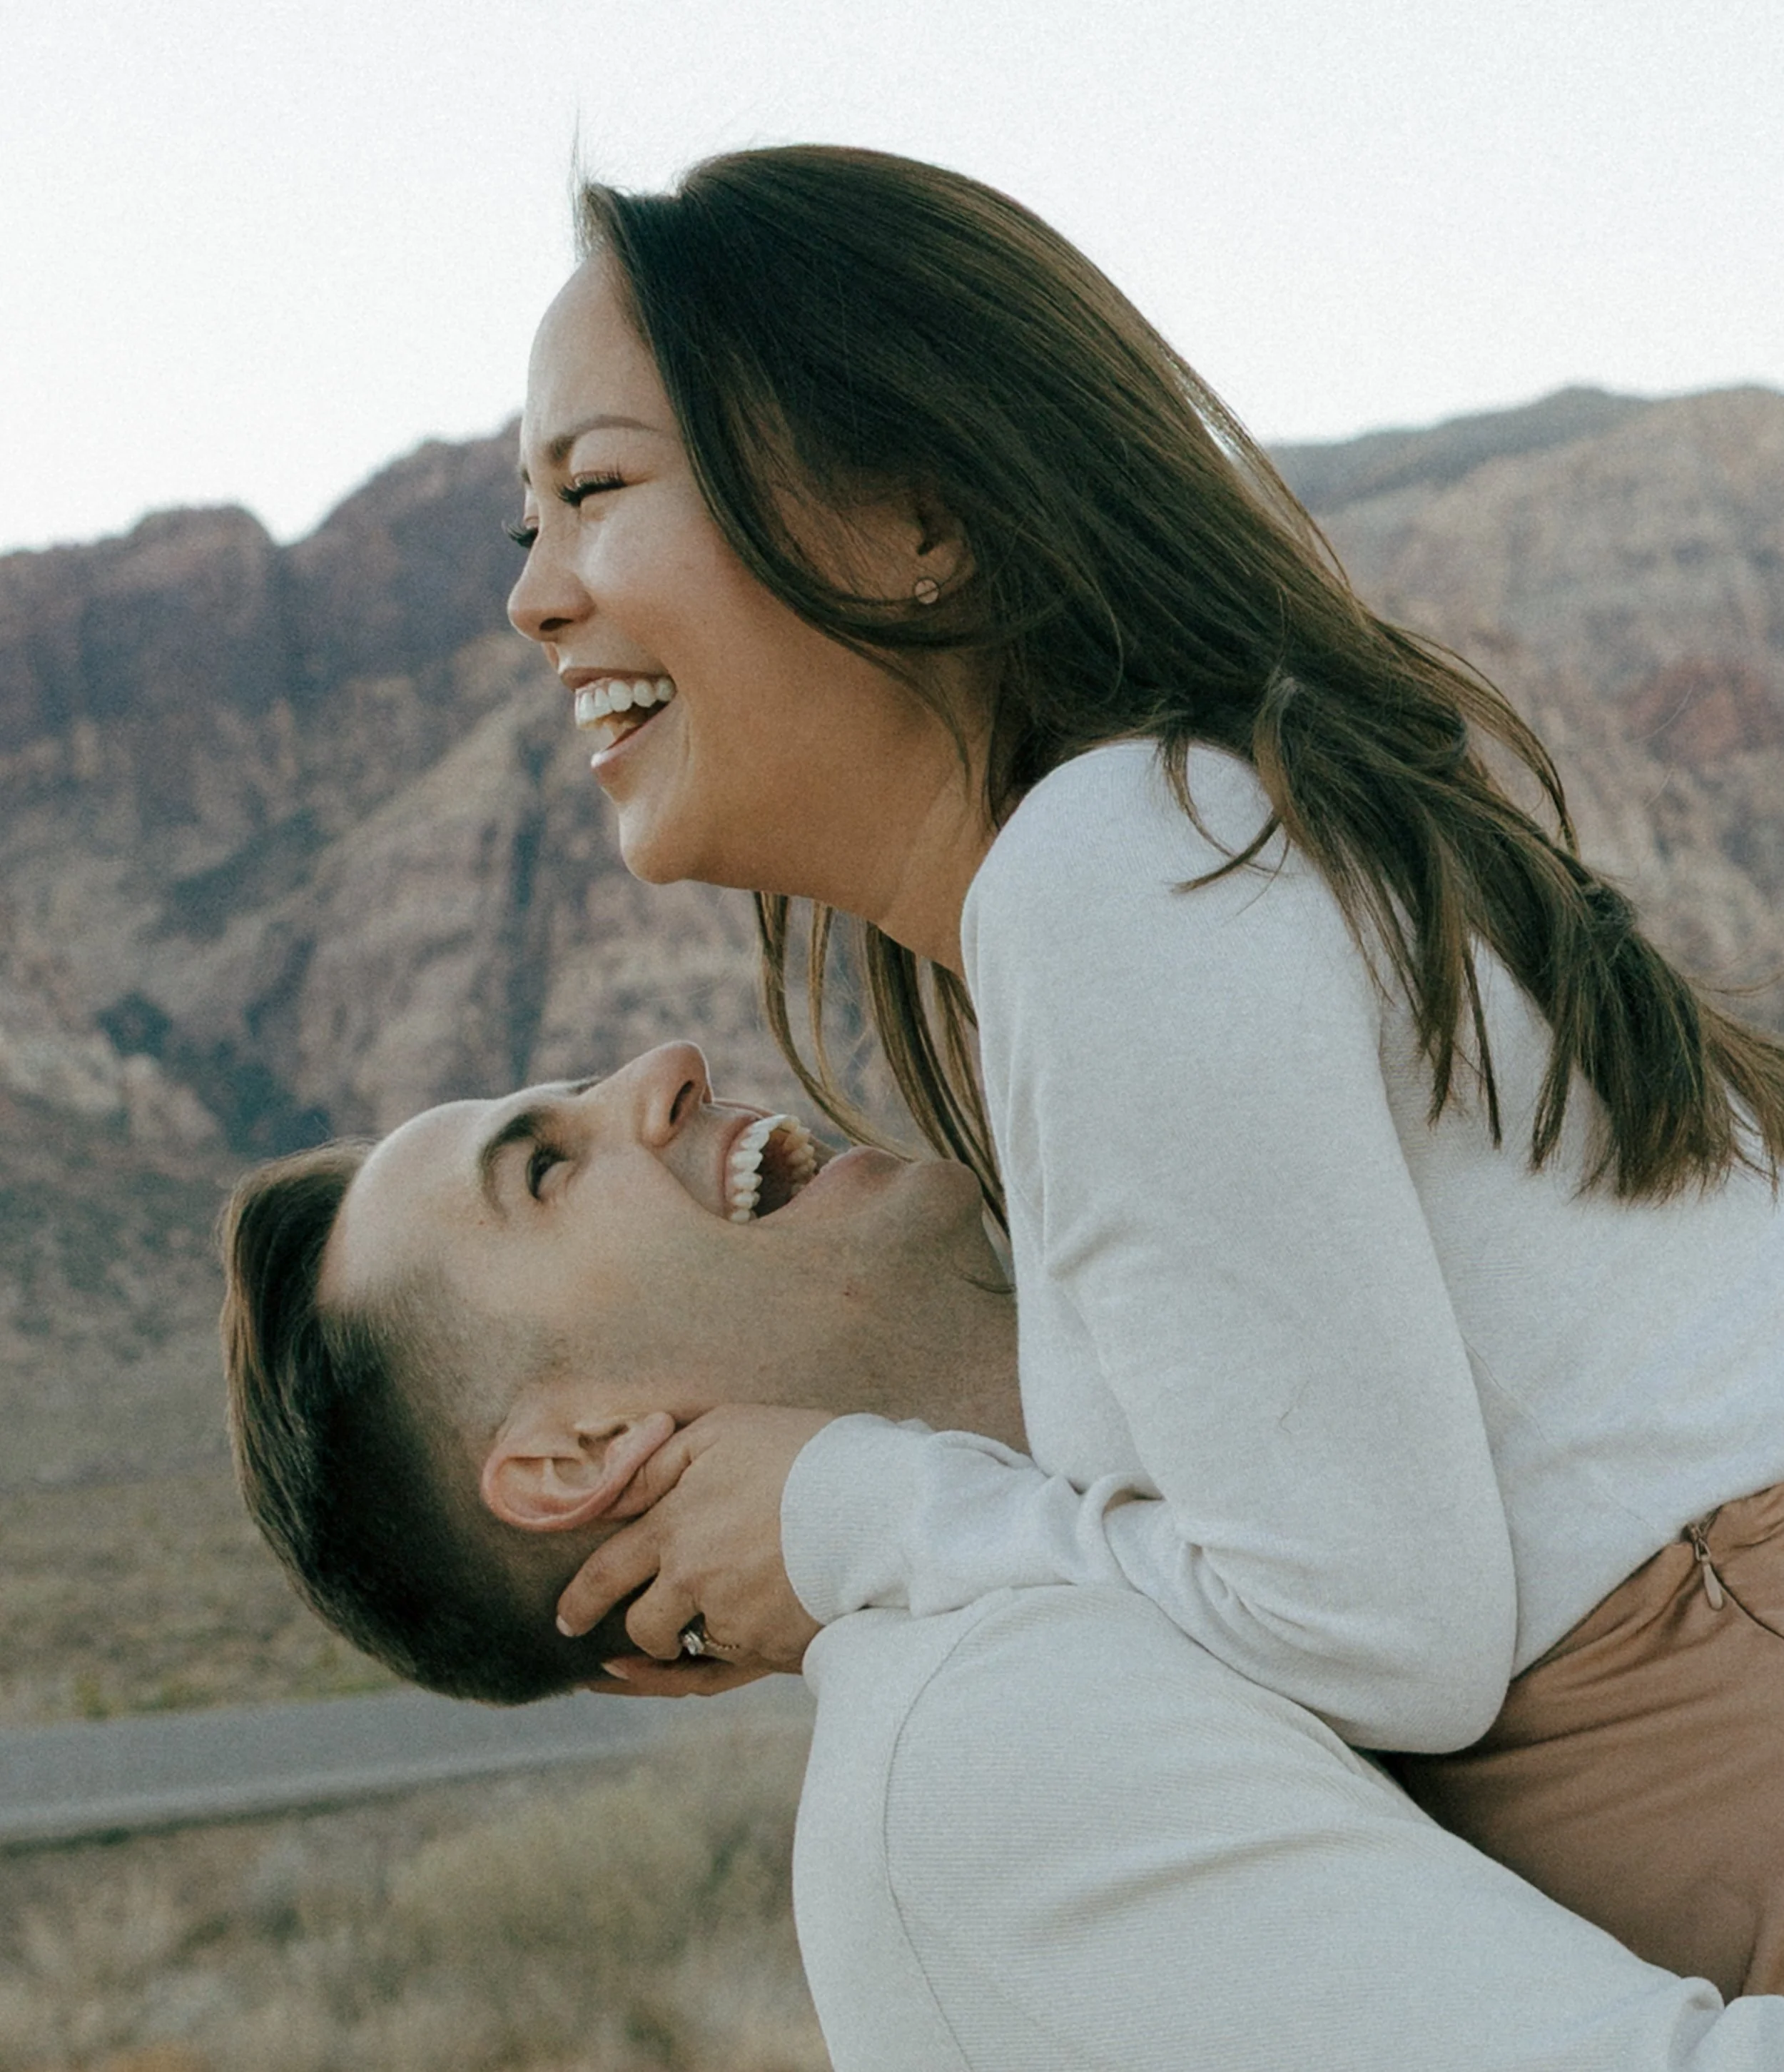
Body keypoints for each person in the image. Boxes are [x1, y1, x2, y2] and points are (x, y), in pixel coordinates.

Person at [503, 143, 1784, 1996]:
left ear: (910, 514)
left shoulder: (1110, 873)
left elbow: (1361, 1636)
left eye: (594, 487)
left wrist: (842, 1512)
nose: (536, 596)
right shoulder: (1171, 843)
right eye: (521, 526)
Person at [220, 1046, 1784, 2070]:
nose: (663, 1066)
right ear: (573, 1456)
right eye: (544, 1168)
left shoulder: (1197, 1503)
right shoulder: (982, 1733)